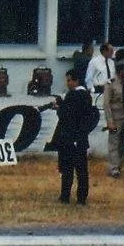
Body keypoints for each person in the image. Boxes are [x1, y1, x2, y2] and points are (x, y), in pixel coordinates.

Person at [51, 69, 92, 205]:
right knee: (82, 171)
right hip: (81, 138)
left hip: (69, 137)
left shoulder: (73, 95)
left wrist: (60, 106)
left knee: (67, 169)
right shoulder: (86, 96)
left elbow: (66, 115)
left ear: (76, 81)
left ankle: (65, 196)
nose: (68, 83)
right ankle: (82, 198)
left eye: (69, 80)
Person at [103, 60, 124, 179]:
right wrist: (109, 121)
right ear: (121, 71)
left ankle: (119, 165)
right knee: (114, 143)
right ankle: (113, 168)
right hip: (115, 118)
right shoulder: (111, 83)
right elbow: (106, 104)